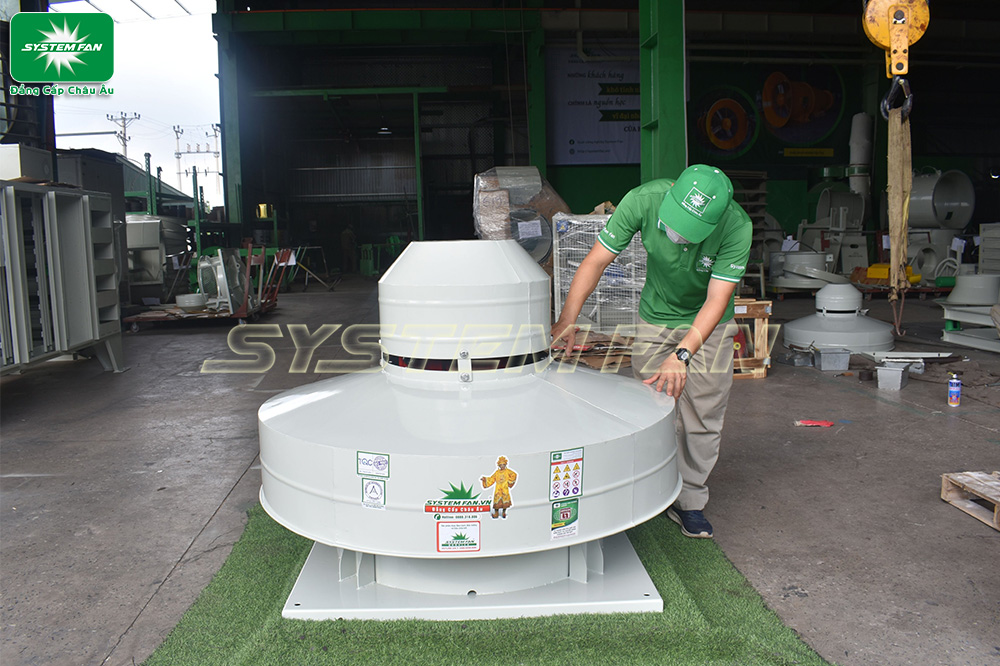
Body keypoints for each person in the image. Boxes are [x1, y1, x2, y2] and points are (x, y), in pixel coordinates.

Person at [551, 165, 752, 539]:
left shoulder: (737, 226)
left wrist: (682, 355)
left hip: (710, 323)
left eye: (690, 231)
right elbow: (596, 260)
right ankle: (649, 486)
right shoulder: (642, 200)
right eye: (676, 223)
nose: (678, 235)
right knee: (650, 406)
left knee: (703, 412)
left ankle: (689, 499)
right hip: (655, 315)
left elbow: (717, 298)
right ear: (671, 193)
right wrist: (567, 318)